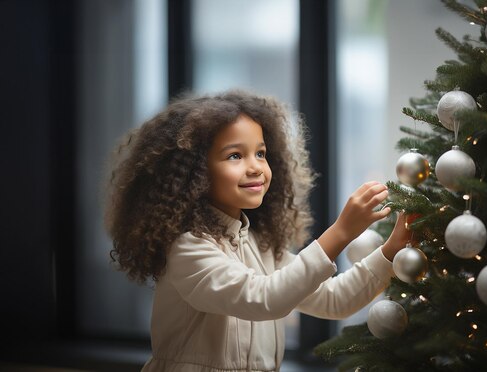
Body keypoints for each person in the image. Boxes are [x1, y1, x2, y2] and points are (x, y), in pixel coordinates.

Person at [105, 90, 410, 372]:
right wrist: (341, 232)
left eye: (261, 153)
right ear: (195, 172)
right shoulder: (188, 248)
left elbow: (334, 300)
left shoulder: (259, 245)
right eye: (235, 155)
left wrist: (389, 252)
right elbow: (264, 299)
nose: (255, 167)